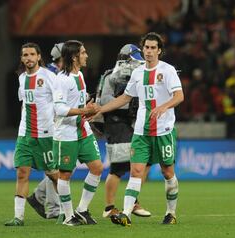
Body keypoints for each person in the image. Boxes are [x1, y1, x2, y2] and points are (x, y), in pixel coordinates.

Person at [91, 32, 184, 226]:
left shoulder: (167, 71)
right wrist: (100, 109)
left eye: (152, 48)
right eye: (146, 48)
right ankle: (126, 214)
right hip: (142, 132)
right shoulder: (137, 73)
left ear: (159, 50)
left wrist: (163, 106)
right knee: (136, 171)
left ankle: (171, 213)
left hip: (163, 130)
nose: (149, 51)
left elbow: (179, 96)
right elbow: (125, 98)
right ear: (142, 50)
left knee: (168, 172)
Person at [5, 43, 59, 226]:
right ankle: (18, 217)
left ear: (38, 56)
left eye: (31, 54)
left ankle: (68, 210)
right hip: (25, 135)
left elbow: (59, 102)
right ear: (21, 58)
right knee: (22, 173)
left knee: (53, 175)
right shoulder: (21, 78)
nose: (28, 58)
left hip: (45, 135)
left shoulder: (49, 76)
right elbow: (24, 104)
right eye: (25, 55)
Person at [97, 44, 151, 218]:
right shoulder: (110, 76)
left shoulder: (138, 76)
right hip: (116, 122)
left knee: (142, 164)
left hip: (133, 124)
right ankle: (109, 207)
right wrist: (131, 104)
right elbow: (105, 99)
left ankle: (133, 201)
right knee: (119, 168)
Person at [53, 40, 103, 226]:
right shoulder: (61, 79)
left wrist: (88, 107)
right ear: (74, 57)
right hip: (66, 134)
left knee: (97, 168)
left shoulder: (80, 75)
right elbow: (58, 108)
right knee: (65, 175)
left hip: (83, 131)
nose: (86, 55)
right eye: (83, 52)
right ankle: (67, 217)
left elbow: (78, 104)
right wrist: (84, 111)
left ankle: (81, 210)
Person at [27, 42, 64, 220]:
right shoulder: (51, 74)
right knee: (54, 167)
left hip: (60, 125)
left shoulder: (59, 72)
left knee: (60, 167)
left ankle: (38, 196)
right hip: (49, 126)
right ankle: (54, 208)